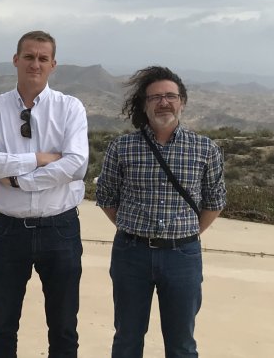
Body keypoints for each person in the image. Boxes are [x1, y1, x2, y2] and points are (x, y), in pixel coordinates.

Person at [0, 30, 89, 358]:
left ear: (53, 65)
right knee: (2, 326)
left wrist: (18, 179)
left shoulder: (70, 108)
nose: (34, 64)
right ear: (16, 60)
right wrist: (39, 159)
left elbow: (77, 165)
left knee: (64, 327)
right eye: (29, 57)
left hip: (60, 229)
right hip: (7, 230)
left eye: (42, 58)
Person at [96, 66, 226, 358]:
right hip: (131, 254)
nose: (163, 102)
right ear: (144, 104)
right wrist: (132, 228)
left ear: (183, 101)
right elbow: (105, 196)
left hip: (183, 256)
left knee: (181, 344)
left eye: (170, 95)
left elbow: (215, 201)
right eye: (155, 97)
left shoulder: (205, 149)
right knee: (127, 339)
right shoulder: (123, 147)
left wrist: (186, 233)